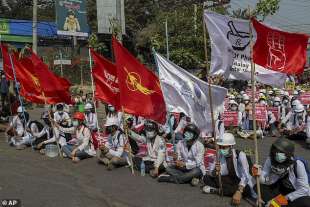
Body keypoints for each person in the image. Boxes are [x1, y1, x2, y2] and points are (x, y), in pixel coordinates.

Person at [202, 133, 255, 206]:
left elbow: (246, 175)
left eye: (224, 147)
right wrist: (215, 171)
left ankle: (217, 191)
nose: (221, 149)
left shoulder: (240, 155)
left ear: (231, 146)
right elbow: (211, 172)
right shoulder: (218, 155)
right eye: (220, 147)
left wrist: (239, 191)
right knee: (206, 178)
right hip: (225, 180)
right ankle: (227, 191)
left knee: (247, 189)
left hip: (238, 181)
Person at [254, 138, 310, 207]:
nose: (276, 154)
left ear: (288, 154)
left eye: (280, 152)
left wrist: (281, 200)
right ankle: (271, 203)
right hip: (279, 189)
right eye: (275, 150)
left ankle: (274, 204)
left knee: (306, 202)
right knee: (258, 187)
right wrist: (258, 174)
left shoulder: (297, 164)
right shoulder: (270, 159)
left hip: (294, 193)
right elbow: (265, 180)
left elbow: (304, 190)